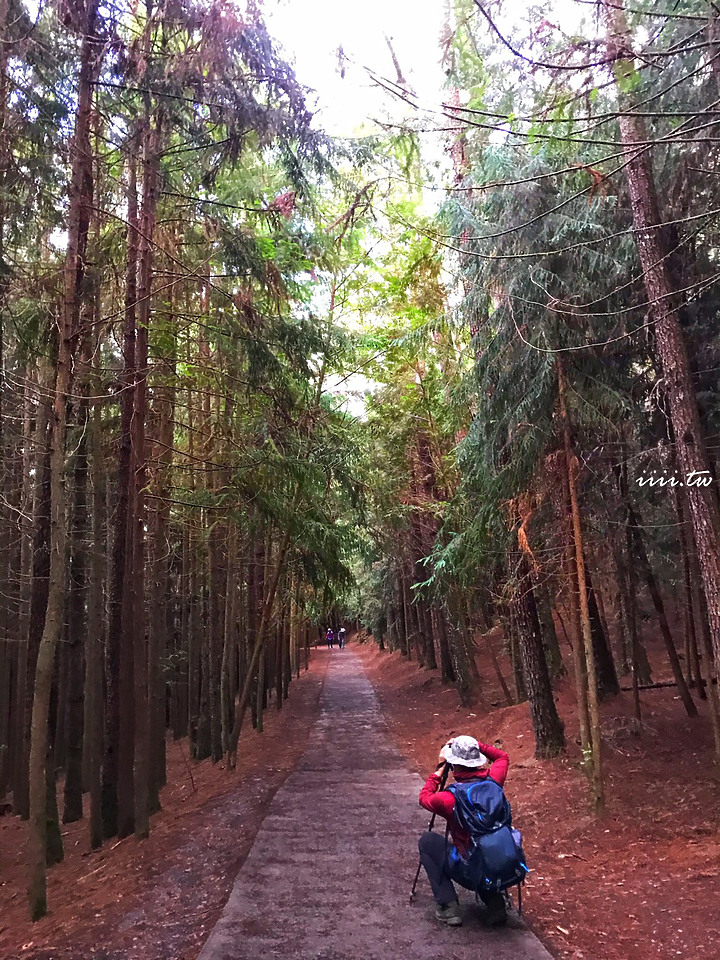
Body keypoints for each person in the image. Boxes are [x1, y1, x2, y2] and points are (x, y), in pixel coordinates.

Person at [418, 735, 510, 928]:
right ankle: (495, 904)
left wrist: (439, 770)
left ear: (453, 764)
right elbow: (502, 757)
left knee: (427, 842)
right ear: (477, 761)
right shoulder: (494, 781)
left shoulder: (449, 799)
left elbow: (424, 797)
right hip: (501, 866)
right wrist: (475, 744)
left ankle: (448, 907)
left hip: (469, 870)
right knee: (484, 847)